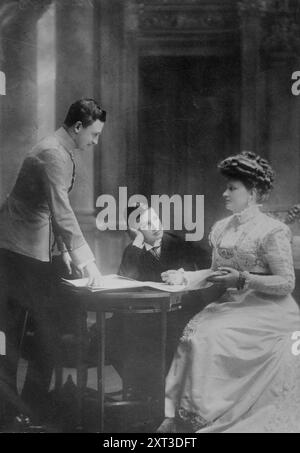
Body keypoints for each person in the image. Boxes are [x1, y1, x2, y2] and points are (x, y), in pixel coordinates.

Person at [158, 151, 300, 433]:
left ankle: (215, 414)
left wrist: (244, 279)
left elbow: (286, 282)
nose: (224, 193)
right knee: (197, 332)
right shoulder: (221, 228)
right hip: (232, 306)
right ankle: (187, 414)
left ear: (254, 192)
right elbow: (215, 274)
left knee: (212, 334)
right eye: (226, 187)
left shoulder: (272, 230)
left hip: (269, 310)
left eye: (232, 188)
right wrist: (184, 277)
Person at [0, 98, 106, 426]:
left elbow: (51, 211)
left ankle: (31, 407)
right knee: (8, 337)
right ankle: (8, 414)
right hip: (15, 251)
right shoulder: (53, 153)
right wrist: (87, 262)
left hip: (34, 250)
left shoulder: (59, 150)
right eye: (94, 134)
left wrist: (65, 254)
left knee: (44, 332)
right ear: (77, 127)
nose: (95, 141)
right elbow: (60, 210)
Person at [107, 203, 209, 401]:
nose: (155, 226)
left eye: (156, 219)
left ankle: (160, 396)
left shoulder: (178, 243)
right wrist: (136, 244)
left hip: (181, 310)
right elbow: (124, 280)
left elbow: (208, 266)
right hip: (144, 314)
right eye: (147, 223)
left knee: (166, 338)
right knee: (110, 334)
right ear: (134, 230)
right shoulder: (133, 250)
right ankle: (144, 391)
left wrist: (185, 276)